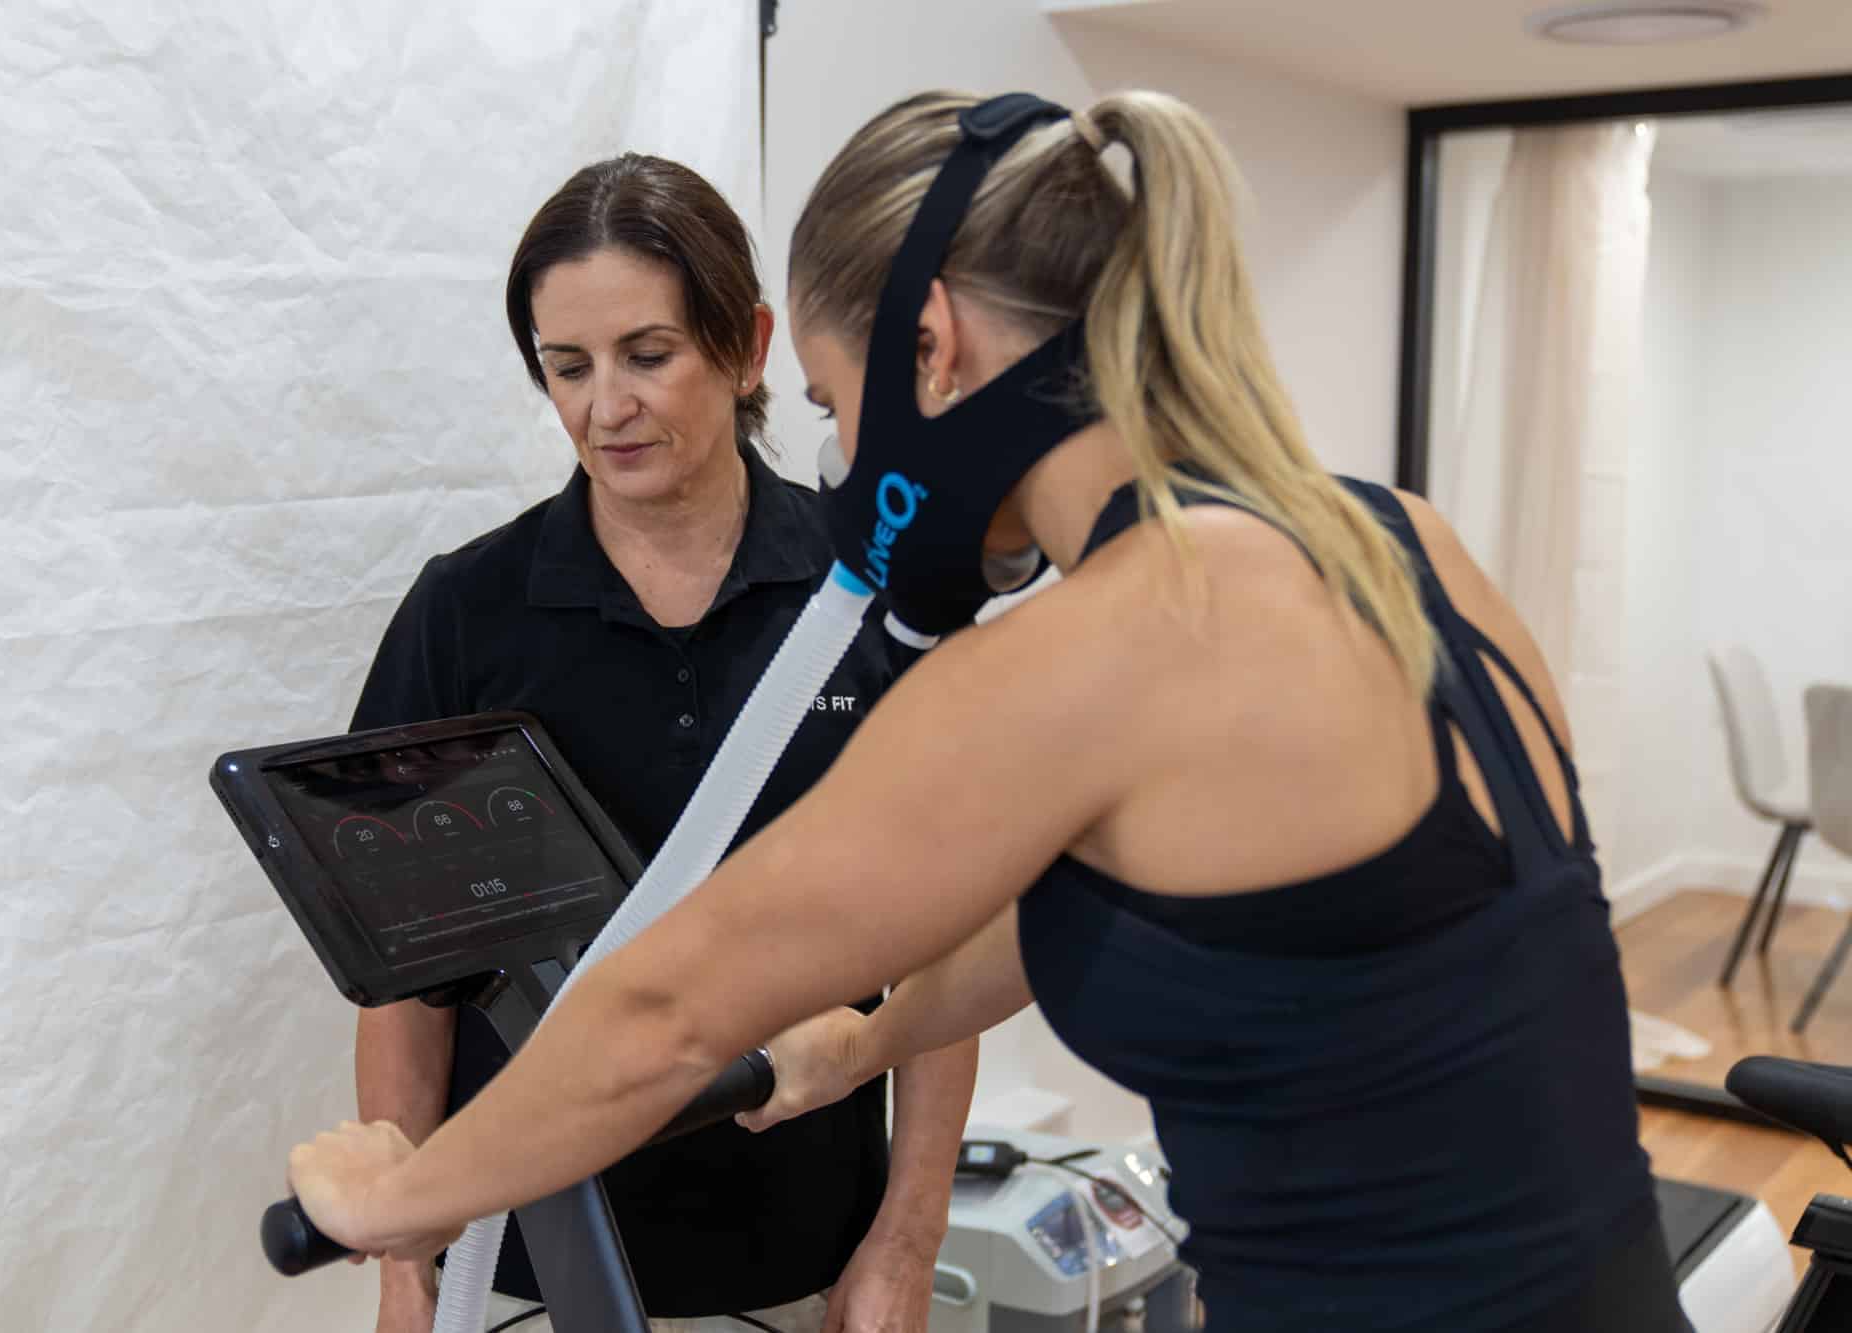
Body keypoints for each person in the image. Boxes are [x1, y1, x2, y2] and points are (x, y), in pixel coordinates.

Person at [292, 91, 1693, 1333]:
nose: (844, 459)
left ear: (936, 348)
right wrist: (867, 1037)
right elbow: (1168, 906)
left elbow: (659, 1011)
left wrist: (397, 1198)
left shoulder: (1088, 654)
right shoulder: (1401, 547)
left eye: (839, 403)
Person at [344, 152, 977, 1333]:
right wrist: (405, 1273)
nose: (604, 407)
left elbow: (950, 944)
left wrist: (905, 1237)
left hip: (801, 1261)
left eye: (647, 355)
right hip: (519, 1268)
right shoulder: (470, 612)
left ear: (743, 345)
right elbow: (407, 981)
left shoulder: (866, 596)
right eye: (565, 367)